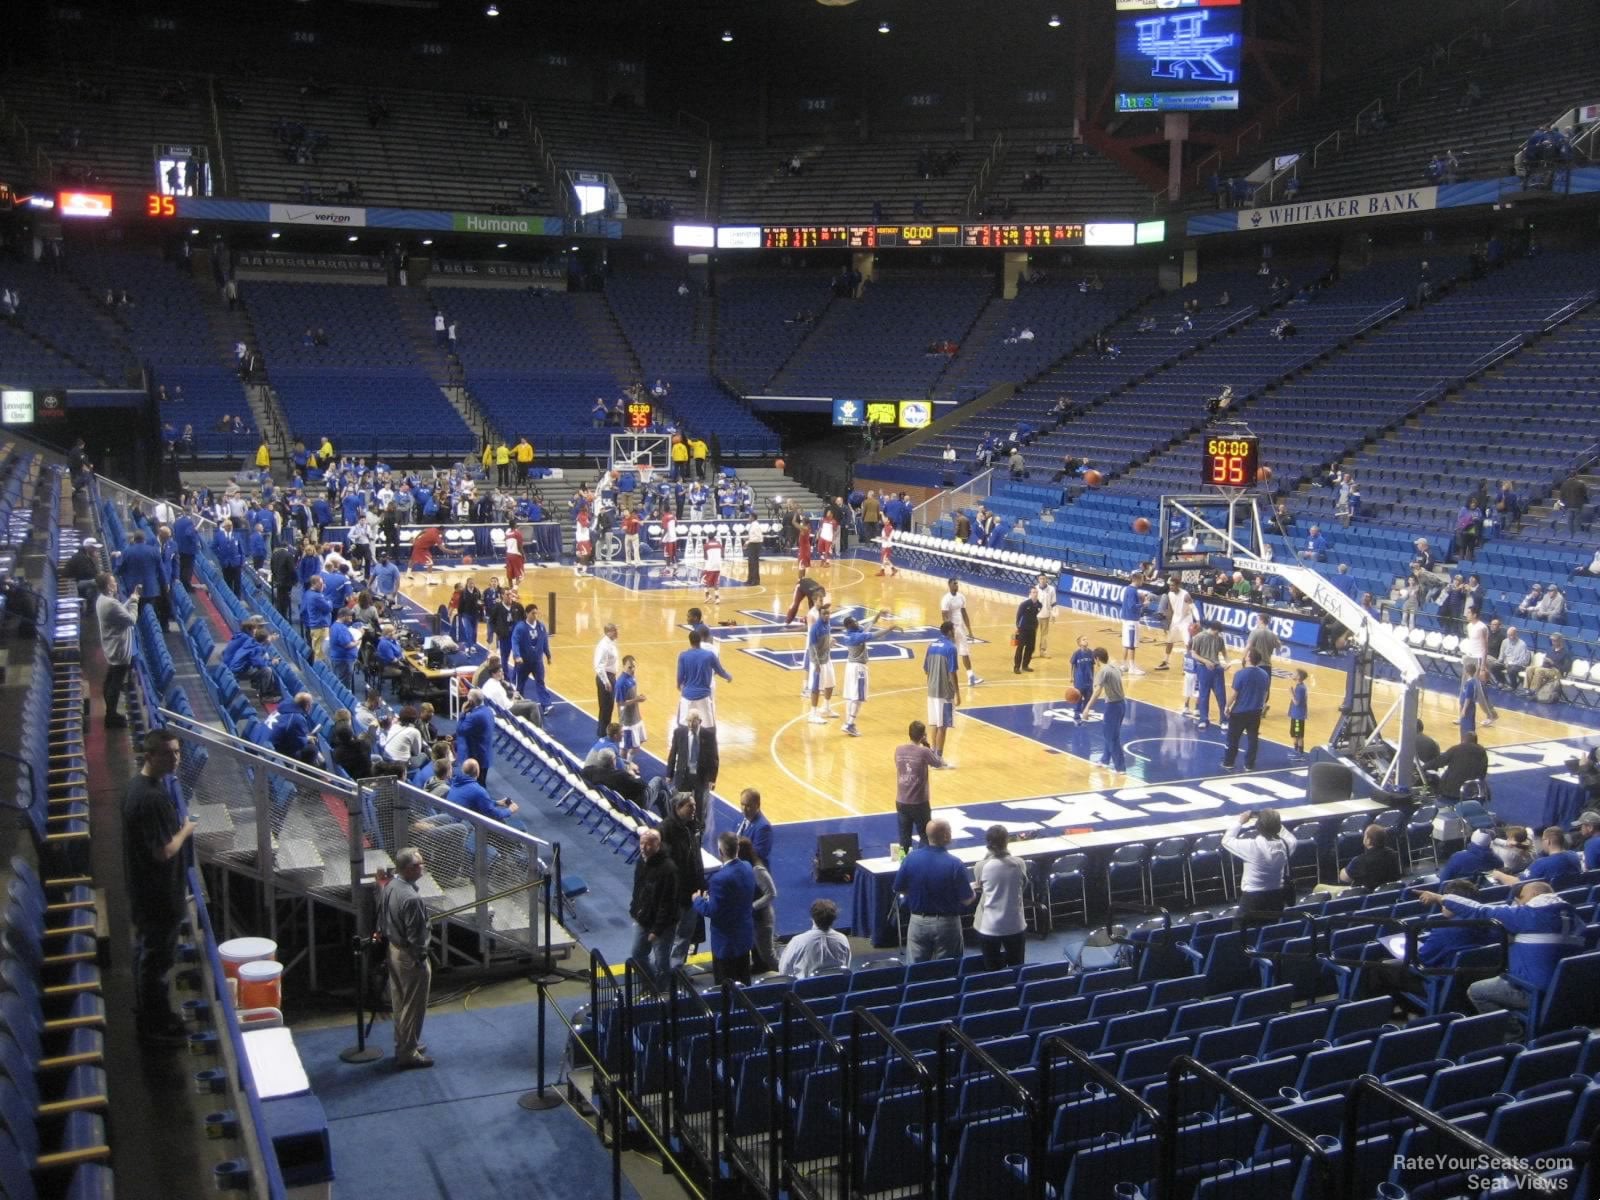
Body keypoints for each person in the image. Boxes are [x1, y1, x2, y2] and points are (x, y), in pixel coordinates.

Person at [1414, 880, 1583, 1038]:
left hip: (1534, 991)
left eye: (1521, 898)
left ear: (1534, 897)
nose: (1519, 902)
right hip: (1568, 990)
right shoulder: (1576, 919)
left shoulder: (1529, 916)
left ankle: (1514, 1036)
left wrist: (1439, 897)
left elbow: (1480, 911)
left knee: (1477, 991)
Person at [123, 728, 197, 1043]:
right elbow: (163, 850)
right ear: (149, 755)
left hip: (146, 889)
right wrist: (185, 830)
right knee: (157, 960)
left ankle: (155, 1014)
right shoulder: (151, 797)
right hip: (158, 893)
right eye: (168, 753)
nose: (175, 759)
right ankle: (154, 1026)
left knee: (151, 955)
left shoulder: (137, 787)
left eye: (178, 752)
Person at [379, 847, 434, 1069]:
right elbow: (417, 936)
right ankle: (407, 1052)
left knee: (400, 1000)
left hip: (394, 949)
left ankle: (404, 1041)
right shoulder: (411, 899)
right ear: (408, 868)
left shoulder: (390, 885)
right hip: (410, 956)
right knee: (413, 1004)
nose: (422, 867)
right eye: (418, 864)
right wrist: (420, 958)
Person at [891, 820, 975, 964]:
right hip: (947, 923)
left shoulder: (910, 858)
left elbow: (898, 888)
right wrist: (974, 891)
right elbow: (966, 899)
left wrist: (917, 892)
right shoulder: (955, 863)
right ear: (946, 835)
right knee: (949, 969)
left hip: (918, 921)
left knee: (915, 971)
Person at [693, 832, 757, 985]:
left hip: (726, 943)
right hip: (744, 937)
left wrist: (698, 900)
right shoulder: (748, 868)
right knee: (744, 981)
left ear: (720, 852)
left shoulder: (719, 879)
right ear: (737, 848)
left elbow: (713, 911)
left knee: (725, 987)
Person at [1222, 808, 1296, 926]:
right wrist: (1272, 821)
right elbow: (1288, 835)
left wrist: (1240, 821)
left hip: (1253, 900)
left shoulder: (1252, 847)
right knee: (1268, 932)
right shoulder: (1287, 844)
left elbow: (1227, 840)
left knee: (1240, 936)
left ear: (1258, 827)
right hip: (1276, 898)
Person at [661, 794, 706, 969]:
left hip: (691, 891)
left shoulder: (691, 827)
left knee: (685, 935)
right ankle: (669, 973)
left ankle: (676, 971)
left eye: (694, 806)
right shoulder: (666, 830)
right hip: (677, 893)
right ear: (678, 808)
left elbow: (696, 858)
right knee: (673, 935)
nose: (694, 809)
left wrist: (701, 884)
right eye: (690, 806)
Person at [973, 825, 1028, 969]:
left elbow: (981, 887)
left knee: (993, 971)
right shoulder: (1019, 863)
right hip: (1015, 924)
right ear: (1006, 841)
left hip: (989, 927)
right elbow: (1023, 887)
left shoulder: (980, 866)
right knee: (1017, 968)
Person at [837, 611, 898, 736]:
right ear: (849, 625)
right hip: (858, 668)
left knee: (851, 696)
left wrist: (877, 616)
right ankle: (850, 724)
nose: (857, 622)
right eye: (854, 622)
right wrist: (889, 629)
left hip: (850, 667)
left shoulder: (851, 633)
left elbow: (866, 628)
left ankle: (849, 722)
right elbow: (873, 634)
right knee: (858, 697)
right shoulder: (855, 637)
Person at [629, 829, 677, 982]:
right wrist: (634, 910)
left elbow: (667, 903)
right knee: (637, 955)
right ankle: (650, 987)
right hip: (643, 919)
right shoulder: (641, 861)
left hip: (662, 925)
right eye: (642, 843)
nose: (643, 847)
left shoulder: (668, 869)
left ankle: (664, 994)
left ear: (658, 844)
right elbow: (638, 889)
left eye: (648, 844)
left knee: (662, 962)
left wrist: (657, 929)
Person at [94, 573, 138, 730]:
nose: (116, 585)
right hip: (118, 649)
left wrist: (130, 600)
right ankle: (111, 716)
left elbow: (119, 611)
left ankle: (110, 712)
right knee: (115, 682)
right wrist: (134, 602)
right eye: (113, 583)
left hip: (111, 647)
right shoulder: (110, 604)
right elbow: (131, 619)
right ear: (108, 586)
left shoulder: (103, 600)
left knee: (111, 679)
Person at [894, 720, 946, 852]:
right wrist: (927, 746)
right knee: (925, 835)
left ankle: (903, 861)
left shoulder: (899, 750)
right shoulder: (924, 752)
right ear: (923, 735)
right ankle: (923, 860)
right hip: (919, 802)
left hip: (901, 801)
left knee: (904, 836)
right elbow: (938, 763)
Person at [665, 712, 719, 830]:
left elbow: (714, 758)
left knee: (699, 806)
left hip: (701, 776)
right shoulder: (679, 732)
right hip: (683, 775)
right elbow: (673, 753)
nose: (690, 724)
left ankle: (697, 829)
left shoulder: (708, 735)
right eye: (688, 721)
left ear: (699, 721)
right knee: (681, 802)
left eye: (692, 721)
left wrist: (712, 779)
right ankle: (679, 824)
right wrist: (669, 773)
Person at [1222, 649, 1270, 772]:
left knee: (1233, 738)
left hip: (1240, 712)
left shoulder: (1241, 674)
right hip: (1255, 712)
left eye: (1246, 654)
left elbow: (1234, 694)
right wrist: (1262, 705)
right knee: (1253, 739)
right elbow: (1265, 693)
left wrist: (1227, 706)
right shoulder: (1264, 675)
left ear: (1248, 658)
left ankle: (1229, 762)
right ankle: (1249, 764)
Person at [778, 899, 852, 979]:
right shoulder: (843, 939)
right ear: (834, 919)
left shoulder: (798, 941)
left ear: (812, 917)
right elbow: (846, 966)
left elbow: (784, 971)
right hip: (837, 986)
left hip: (805, 989)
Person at [1493, 826, 1583, 890]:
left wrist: (1499, 875)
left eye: (1542, 840)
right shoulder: (1574, 856)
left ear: (1548, 841)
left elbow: (1517, 883)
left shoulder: (1541, 863)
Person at [923, 622, 961, 760]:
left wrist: (930, 683)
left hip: (931, 691)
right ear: (950, 632)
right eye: (954, 630)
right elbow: (952, 673)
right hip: (944, 692)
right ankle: (938, 758)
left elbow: (926, 669)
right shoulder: (951, 648)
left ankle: (933, 754)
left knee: (934, 724)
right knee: (943, 726)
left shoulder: (931, 646)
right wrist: (957, 692)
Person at [741, 837, 779, 974]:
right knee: (758, 949)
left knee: (769, 956)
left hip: (762, 918)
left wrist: (752, 906)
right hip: (754, 917)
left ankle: (788, 975)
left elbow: (772, 893)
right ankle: (760, 966)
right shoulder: (746, 868)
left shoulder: (757, 870)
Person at [1087, 647, 1127, 773]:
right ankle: (1105, 760)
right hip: (1122, 704)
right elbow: (1123, 671)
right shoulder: (1114, 667)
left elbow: (1097, 691)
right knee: (1109, 734)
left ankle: (1120, 768)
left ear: (1097, 659)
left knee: (1111, 737)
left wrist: (1087, 708)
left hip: (1113, 706)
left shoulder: (1103, 671)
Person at [1422, 730, 1489, 801]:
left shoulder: (1456, 749)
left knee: (1433, 778)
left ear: (1463, 740)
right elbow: (1483, 773)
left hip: (1452, 790)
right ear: (1476, 742)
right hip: (1473, 791)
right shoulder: (1482, 752)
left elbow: (1439, 761)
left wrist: (1424, 767)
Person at [940, 578, 982, 687]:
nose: (956, 585)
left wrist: (970, 630)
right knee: (950, 653)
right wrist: (950, 633)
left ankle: (971, 677)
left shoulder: (961, 597)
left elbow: (964, 613)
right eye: (954, 584)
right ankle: (946, 677)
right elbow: (944, 617)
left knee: (965, 652)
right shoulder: (946, 599)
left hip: (961, 628)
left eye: (957, 584)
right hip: (952, 629)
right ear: (949, 585)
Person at [453, 688, 496, 787]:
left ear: (471, 701)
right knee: (481, 781)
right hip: (485, 752)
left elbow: (460, 730)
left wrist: (463, 713)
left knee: (477, 784)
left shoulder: (474, 716)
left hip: (477, 756)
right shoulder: (488, 710)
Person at [1339, 824, 1402, 888]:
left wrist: (1343, 870)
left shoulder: (1360, 861)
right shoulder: (1393, 854)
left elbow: (1345, 877)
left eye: (1365, 836)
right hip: (1390, 892)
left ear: (1368, 841)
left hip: (1367, 894)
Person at [593, 622, 621, 735]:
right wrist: (606, 681)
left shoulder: (611, 643)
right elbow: (599, 665)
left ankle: (603, 732)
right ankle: (602, 733)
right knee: (606, 707)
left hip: (611, 676)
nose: (617, 632)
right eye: (614, 630)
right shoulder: (604, 646)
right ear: (608, 632)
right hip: (606, 678)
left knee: (609, 707)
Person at [736, 789, 773, 864]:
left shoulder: (763, 827)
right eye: (742, 804)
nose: (744, 809)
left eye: (748, 806)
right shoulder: (740, 817)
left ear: (757, 805)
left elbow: (759, 855)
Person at [1014, 586, 1041, 674]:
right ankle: (1016, 667)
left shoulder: (1039, 605)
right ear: (1030, 594)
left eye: (1036, 592)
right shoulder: (1024, 604)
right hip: (1023, 628)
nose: (1035, 594)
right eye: (1033, 592)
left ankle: (1025, 665)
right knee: (1020, 647)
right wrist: (1018, 627)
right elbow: (1018, 616)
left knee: (1030, 647)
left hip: (1032, 629)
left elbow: (1036, 615)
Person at [1287, 668, 1309, 757]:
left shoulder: (1300, 688)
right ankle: (1298, 751)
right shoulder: (1301, 686)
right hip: (1298, 715)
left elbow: (1297, 702)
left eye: (1294, 673)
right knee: (1297, 734)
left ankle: (1298, 752)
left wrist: (1291, 693)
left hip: (1297, 716)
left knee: (1297, 735)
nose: (1292, 674)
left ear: (1299, 677)